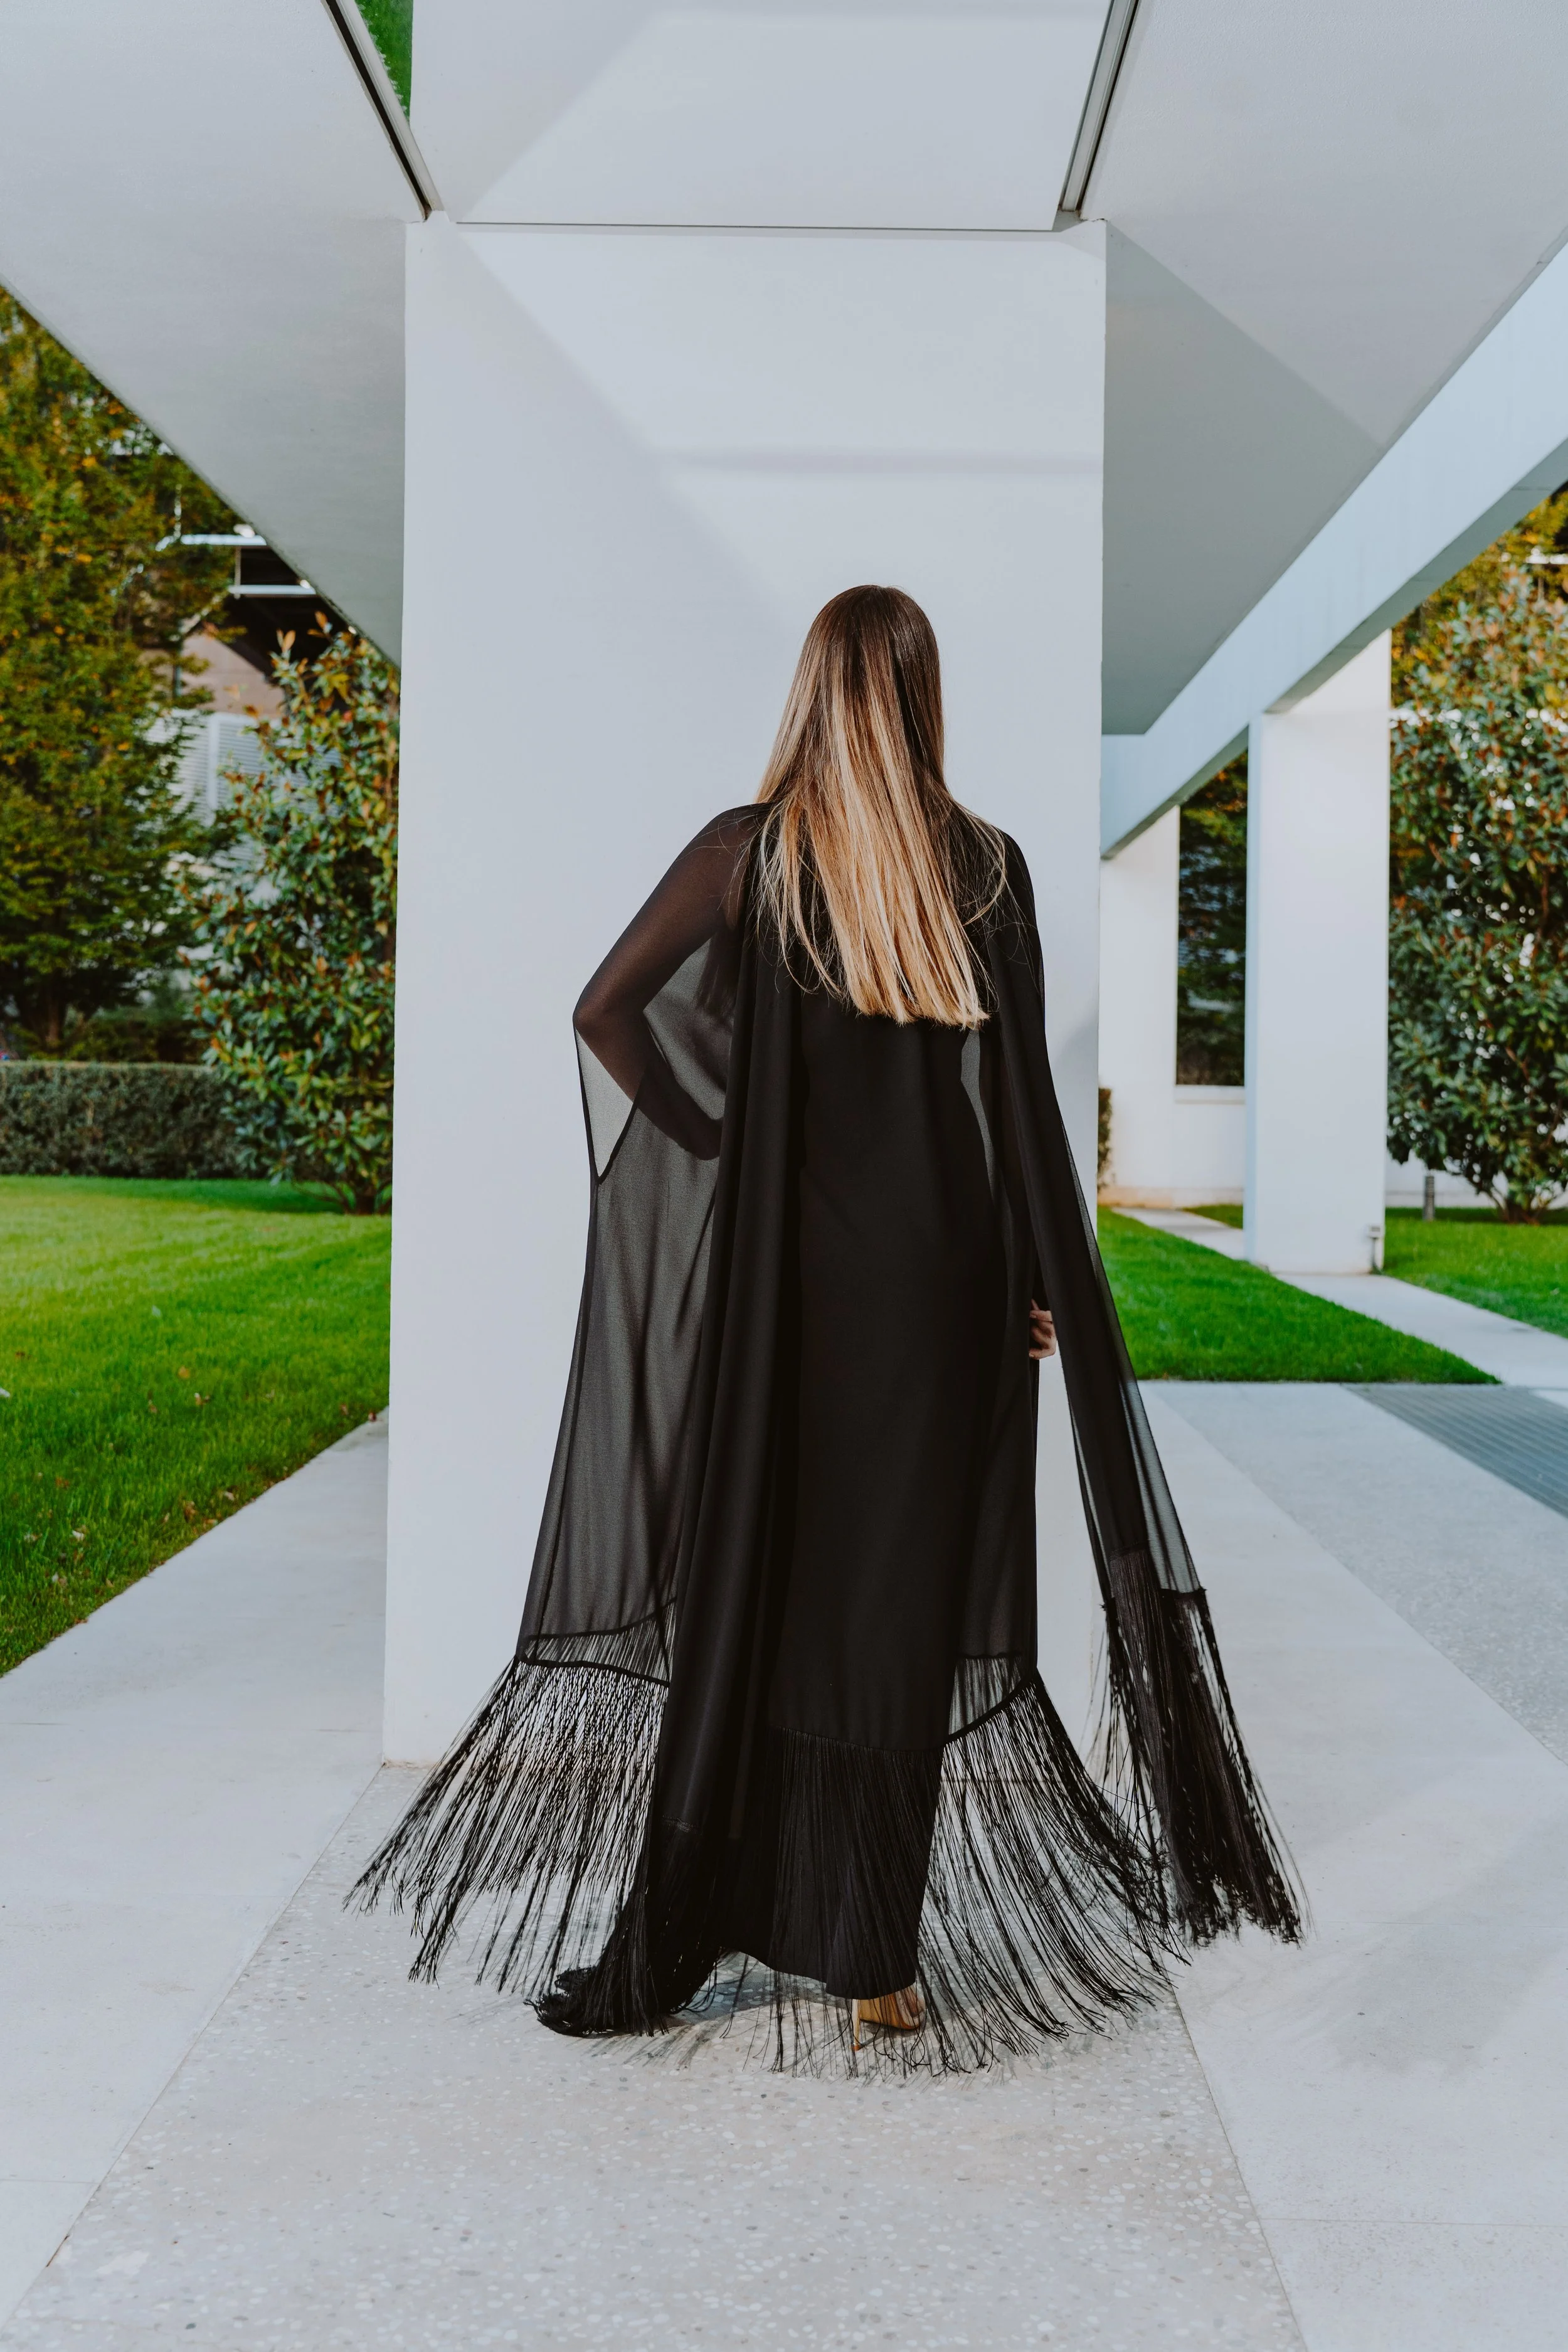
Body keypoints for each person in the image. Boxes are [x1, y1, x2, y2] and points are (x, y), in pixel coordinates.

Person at [356, 586, 1301, 2072]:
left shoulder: (752, 856)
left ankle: (680, 1930)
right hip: (948, 1304)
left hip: (793, 1304)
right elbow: (1019, 1120)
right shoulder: (982, 867)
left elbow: (605, 1012)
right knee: (895, 1627)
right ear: (924, 697)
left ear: (811, 690)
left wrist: (724, 1139)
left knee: (750, 1597)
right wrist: (1039, 1275)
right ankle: (876, 1962)